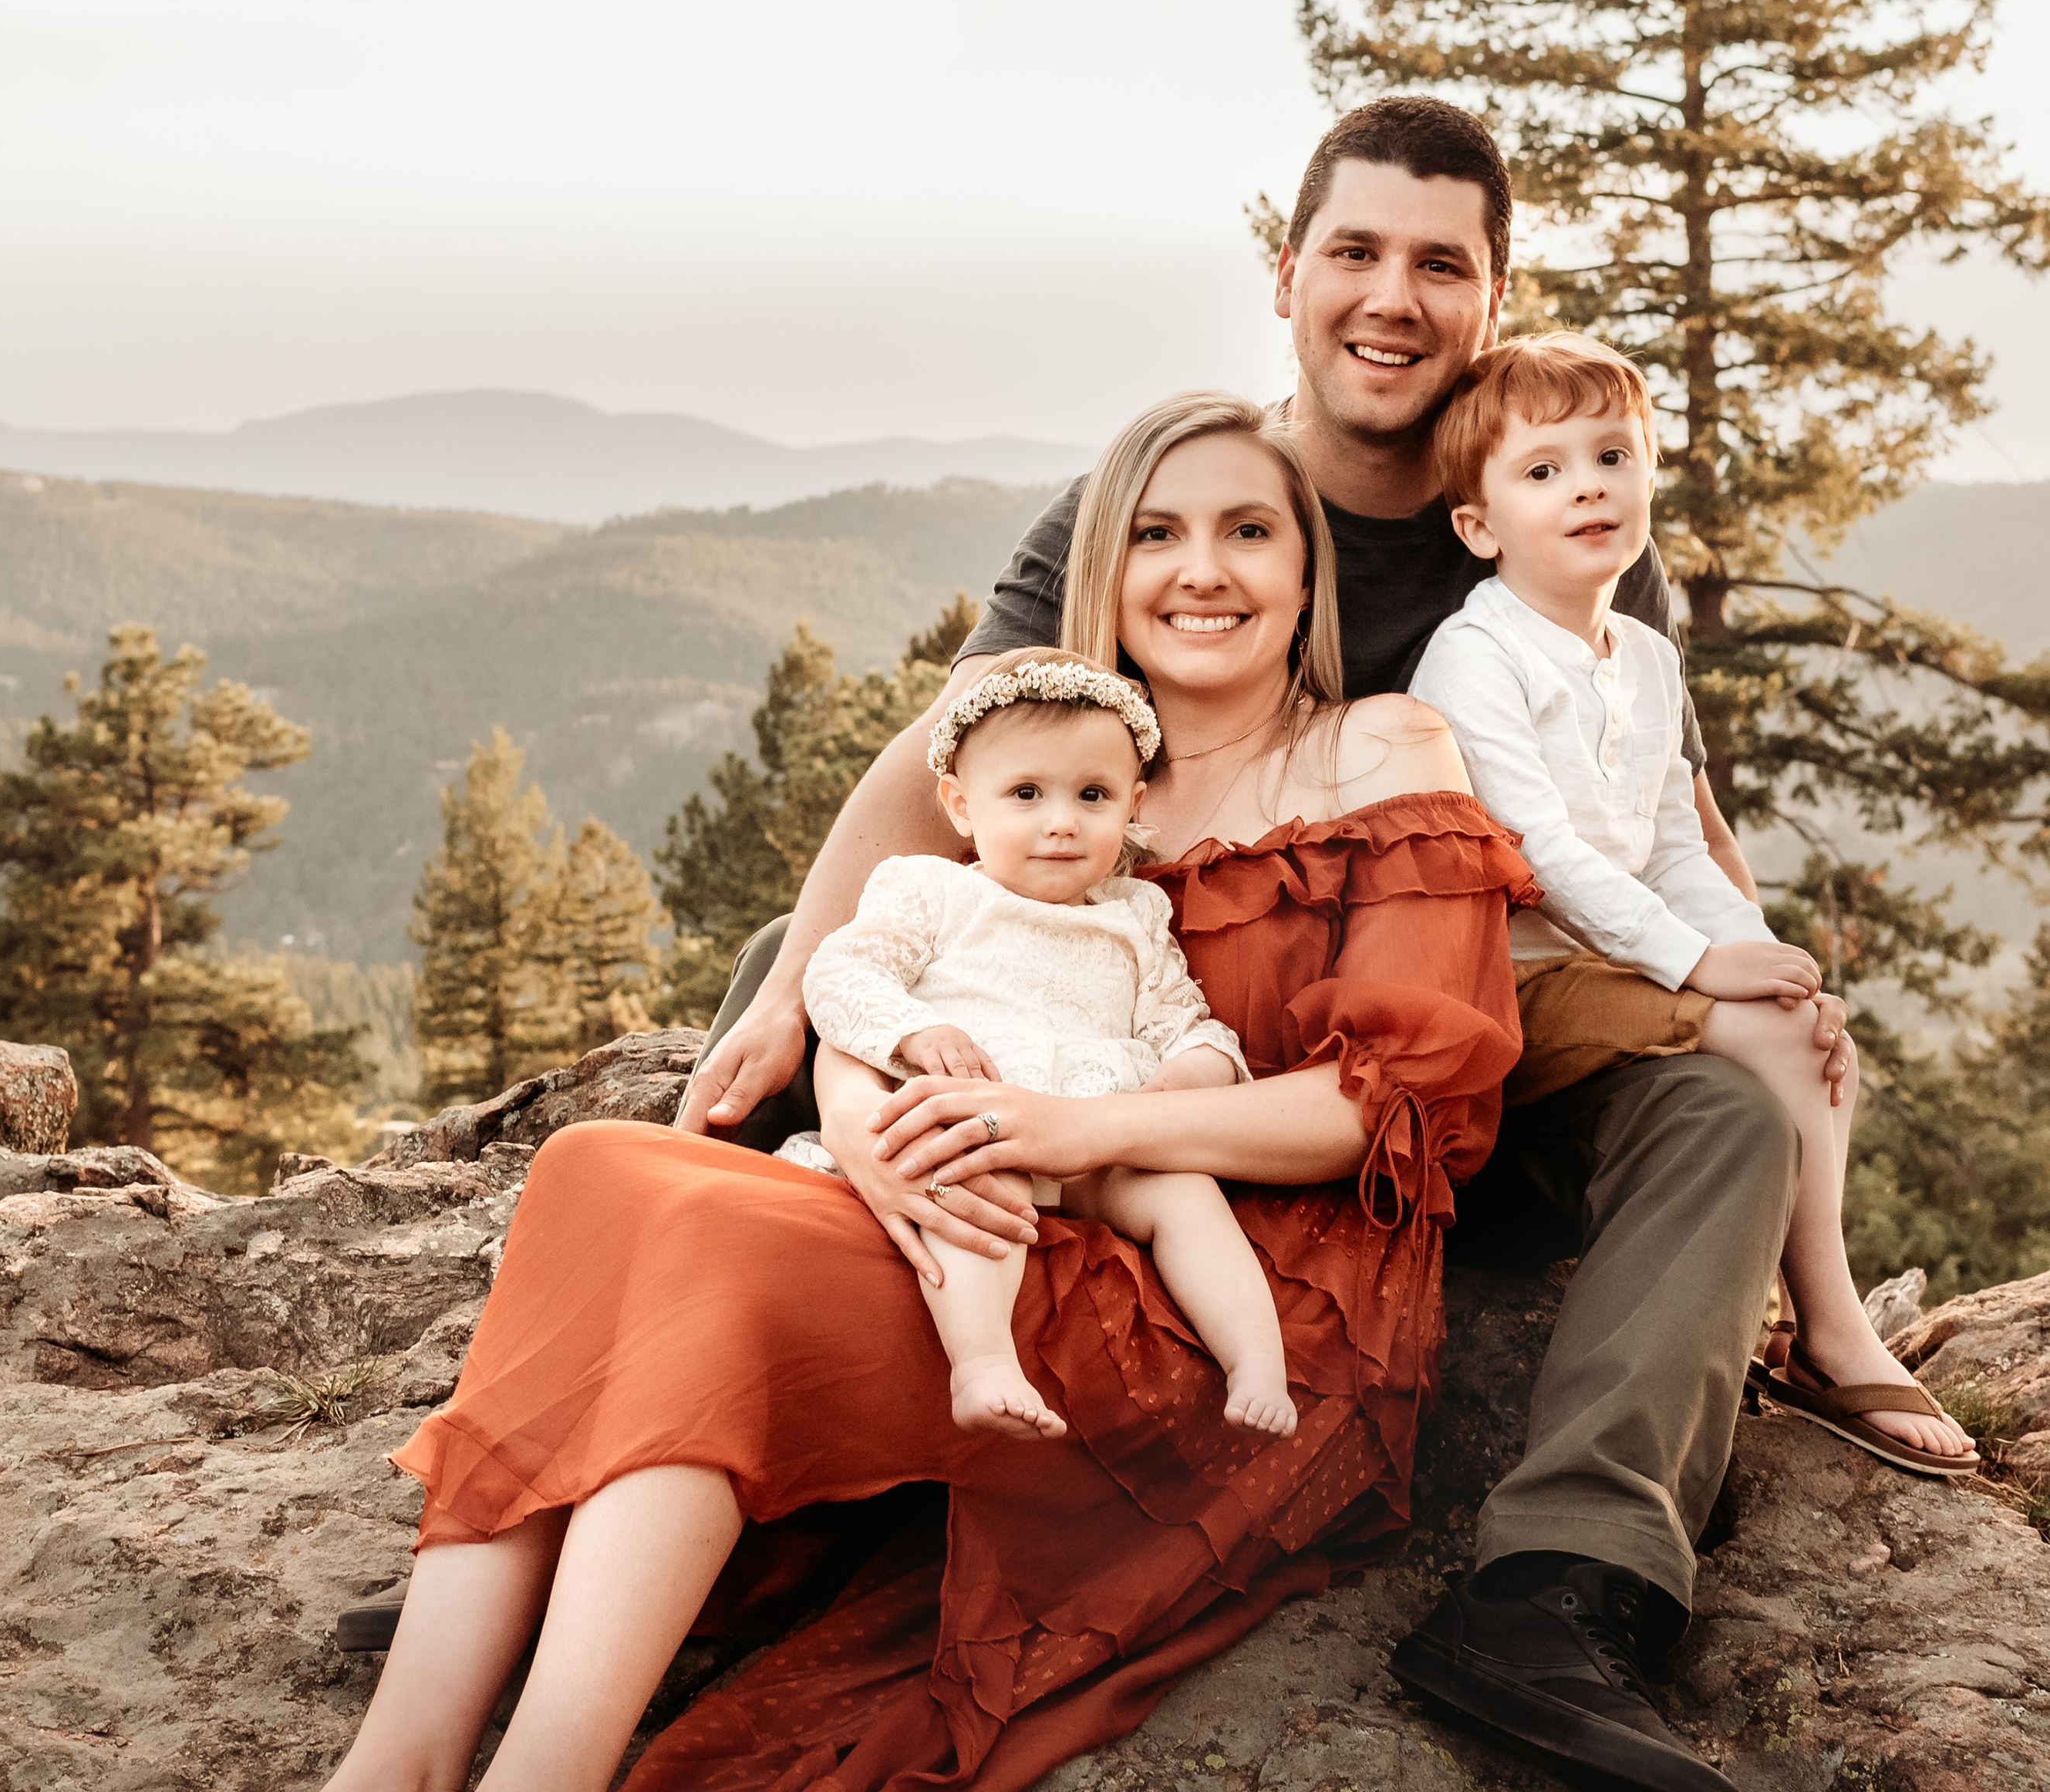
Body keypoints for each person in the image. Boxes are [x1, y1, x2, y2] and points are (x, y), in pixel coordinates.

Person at [676, 98, 1826, 1790]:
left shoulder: (1537, 505)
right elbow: (942, 763)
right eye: (1356, 251)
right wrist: (789, 993)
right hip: (1140, 994)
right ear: (1288, 274)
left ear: (1492, 299)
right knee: (819, 954)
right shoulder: (1175, 496)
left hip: (1421, 1025)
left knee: (1722, 1111)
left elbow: (1669, 802)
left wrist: (1767, 977)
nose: (1393, 297)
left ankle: (1562, 1585)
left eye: (1441, 265)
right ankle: (678, 1488)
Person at [319, 389, 1531, 1792]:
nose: (1202, 570)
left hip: (1218, 1276)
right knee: (594, 1166)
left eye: (1249, 531)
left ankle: (545, 1773)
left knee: (715, 1260)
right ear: (1103, 568)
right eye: (1156, 534)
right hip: (986, 1189)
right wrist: (858, 1122)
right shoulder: (1050, 756)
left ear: (1309, 569)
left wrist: (1080, 1127)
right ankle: (400, 1756)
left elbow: (1387, 1111)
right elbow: (890, 962)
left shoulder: (1380, 746)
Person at [1405, 333, 1978, 1477]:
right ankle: (1830, 1329)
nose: (1589, 487)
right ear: (1478, 525)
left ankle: (1800, 1316)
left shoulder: (1647, 660)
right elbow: (1540, 855)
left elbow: (1674, 844)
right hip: (1507, 981)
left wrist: (1757, 953)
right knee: (1770, 1031)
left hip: (1619, 970)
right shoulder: (1475, 656)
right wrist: (1699, 966)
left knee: (1810, 1030)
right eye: (1544, 471)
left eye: (1612, 456)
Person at [794, 644, 1293, 1443]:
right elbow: (842, 972)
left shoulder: (1136, 915)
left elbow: (1179, 1014)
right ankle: (983, 1362)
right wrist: (918, 1029)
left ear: (1132, 805)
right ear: (962, 806)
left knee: (1187, 1196)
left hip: (1100, 1136)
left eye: (1093, 795)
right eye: (1026, 794)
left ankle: (1257, 1362)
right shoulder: (932, 890)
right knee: (974, 1193)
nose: (1062, 821)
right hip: (982, 1123)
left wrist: (1198, 1063)